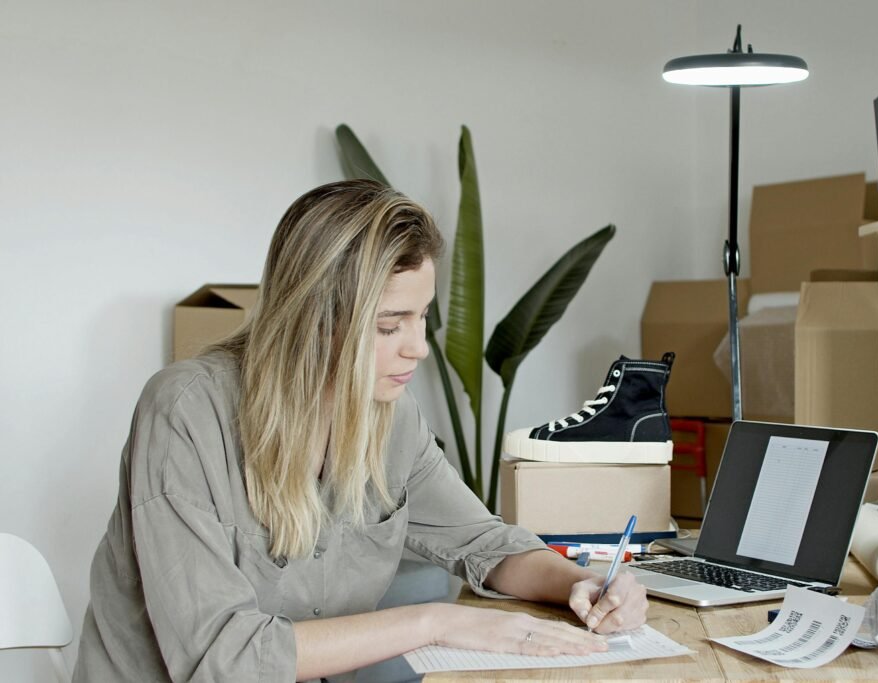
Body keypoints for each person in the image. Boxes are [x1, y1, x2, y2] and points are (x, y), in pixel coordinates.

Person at [73, 179, 648, 682]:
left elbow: (485, 544)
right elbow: (223, 659)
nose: (418, 347)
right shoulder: (185, 414)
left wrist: (585, 584)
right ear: (312, 319)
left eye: (421, 318)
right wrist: (435, 621)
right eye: (388, 325)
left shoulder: (390, 418)